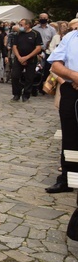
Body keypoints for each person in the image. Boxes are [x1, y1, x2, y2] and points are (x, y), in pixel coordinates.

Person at [46, 25, 78, 198]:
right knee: (70, 133)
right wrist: (73, 75)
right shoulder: (71, 37)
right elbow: (55, 65)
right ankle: (67, 177)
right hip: (72, 91)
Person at [11, 18, 43, 102]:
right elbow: (14, 46)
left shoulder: (35, 34)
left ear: (27, 25)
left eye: (21, 24)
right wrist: (19, 57)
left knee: (29, 78)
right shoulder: (18, 34)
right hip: (19, 58)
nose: (20, 26)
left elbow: (38, 48)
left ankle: (26, 94)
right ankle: (16, 93)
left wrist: (27, 57)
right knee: (14, 76)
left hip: (31, 59)